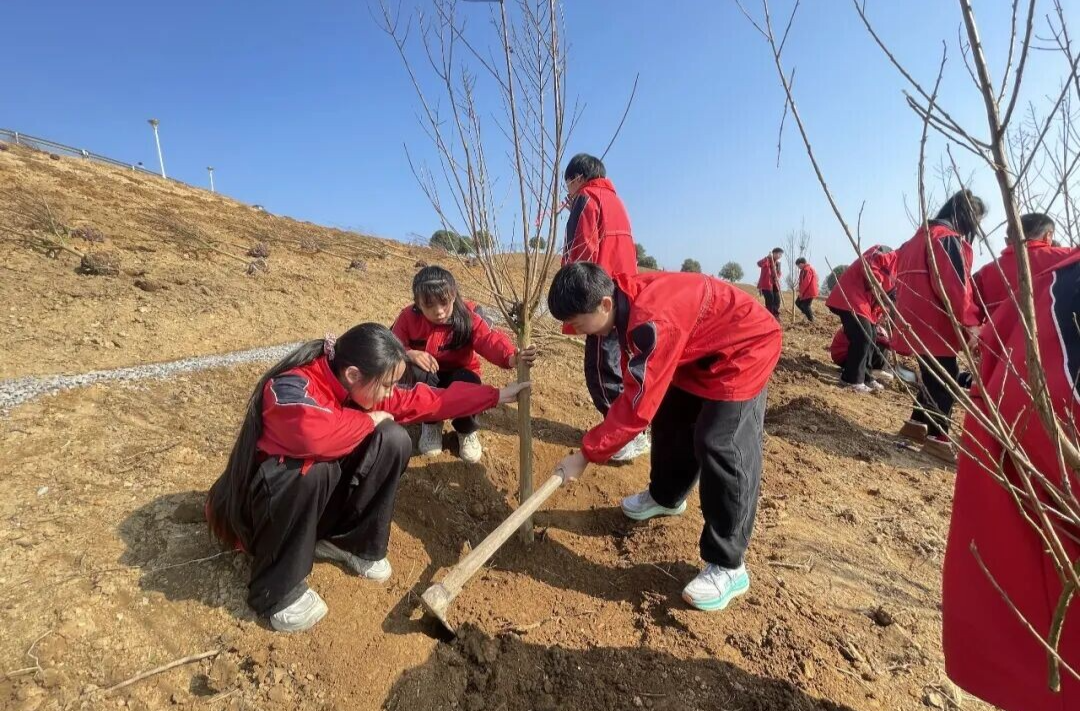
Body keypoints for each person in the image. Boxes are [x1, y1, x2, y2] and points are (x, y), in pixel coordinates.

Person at [204, 324, 529, 632]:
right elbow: (310, 435)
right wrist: (369, 419)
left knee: (393, 438)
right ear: (353, 374)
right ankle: (276, 592)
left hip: (310, 507)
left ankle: (349, 542)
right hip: (257, 514)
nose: (390, 393)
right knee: (308, 468)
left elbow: (425, 399)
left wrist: (496, 396)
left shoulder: (360, 385)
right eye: (387, 384)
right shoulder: (290, 386)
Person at [546, 262, 781, 612]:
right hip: (697, 350)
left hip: (743, 348)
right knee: (671, 417)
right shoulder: (624, 299)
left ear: (604, 305)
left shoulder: (651, 321)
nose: (578, 332)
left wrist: (585, 455)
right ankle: (666, 497)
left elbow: (637, 406)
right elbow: (639, 384)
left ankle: (729, 564)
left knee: (719, 442)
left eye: (579, 323)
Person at [942, 250, 1080, 710]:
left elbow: (967, 293)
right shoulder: (1055, 267)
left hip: (1003, 391)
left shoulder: (1042, 272)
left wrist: (971, 323)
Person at [392, 266, 537, 463]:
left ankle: (466, 430)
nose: (439, 311)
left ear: (453, 296)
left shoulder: (468, 315)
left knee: (468, 383)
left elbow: (488, 339)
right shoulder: (408, 317)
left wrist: (511, 357)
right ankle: (431, 423)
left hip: (460, 372)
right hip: (429, 374)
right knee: (417, 373)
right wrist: (409, 354)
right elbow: (391, 343)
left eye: (444, 302)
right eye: (429, 305)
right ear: (418, 304)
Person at [562, 152, 647, 462]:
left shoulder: (586, 199)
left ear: (579, 178)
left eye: (567, 181)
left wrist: (573, 299)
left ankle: (623, 437)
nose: (567, 189)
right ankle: (634, 428)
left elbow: (581, 253)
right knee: (621, 363)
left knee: (600, 368)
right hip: (624, 294)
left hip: (599, 298)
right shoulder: (616, 201)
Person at [892, 190, 987, 462]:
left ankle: (916, 424)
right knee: (945, 378)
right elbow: (955, 287)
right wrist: (970, 321)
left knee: (932, 375)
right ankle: (938, 438)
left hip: (912, 320)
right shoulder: (945, 240)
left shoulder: (916, 239)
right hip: (934, 323)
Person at [972, 213, 1075, 324]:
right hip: (1055, 337)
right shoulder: (1068, 257)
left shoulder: (984, 273)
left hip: (1000, 339)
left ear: (1008, 240)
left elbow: (971, 315)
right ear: (1048, 236)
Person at [824, 245, 897, 392]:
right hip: (851, 296)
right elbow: (870, 264)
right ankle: (851, 379)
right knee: (863, 336)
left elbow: (885, 300)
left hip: (864, 305)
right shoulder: (887, 252)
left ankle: (866, 376)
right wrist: (876, 282)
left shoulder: (900, 276)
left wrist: (881, 314)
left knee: (872, 336)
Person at [756, 248, 784, 318]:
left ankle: (775, 315)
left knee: (777, 300)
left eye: (781, 255)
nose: (780, 256)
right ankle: (769, 317)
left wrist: (777, 276)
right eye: (779, 254)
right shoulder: (767, 260)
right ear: (774, 253)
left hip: (774, 284)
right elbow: (759, 263)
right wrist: (767, 257)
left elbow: (779, 273)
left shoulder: (778, 263)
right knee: (770, 301)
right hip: (767, 284)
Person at [794, 257, 819, 322]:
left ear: (802, 263)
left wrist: (801, 292)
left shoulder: (807, 269)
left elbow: (806, 282)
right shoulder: (804, 270)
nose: (798, 267)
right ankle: (809, 315)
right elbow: (802, 281)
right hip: (806, 291)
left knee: (806, 306)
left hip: (809, 291)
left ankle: (812, 320)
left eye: (798, 265)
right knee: (798, 303)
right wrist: (799, 288)